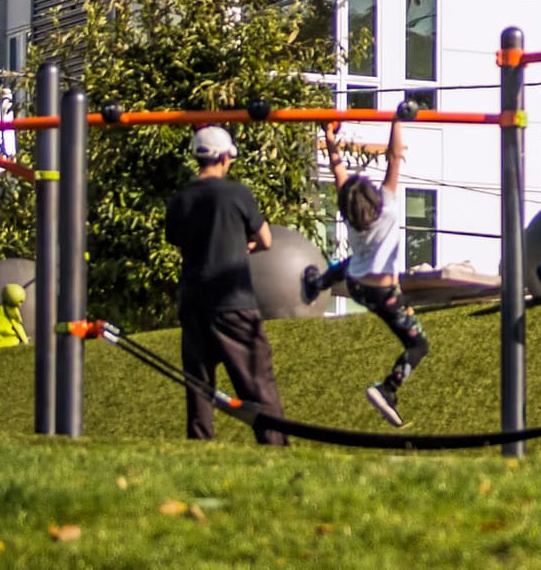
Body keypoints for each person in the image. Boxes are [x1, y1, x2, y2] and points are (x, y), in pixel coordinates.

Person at [162, 126, 288, 444]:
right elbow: (265, 239)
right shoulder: (237, 194)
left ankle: (201, 445)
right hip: (233, 301)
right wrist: (244, 247)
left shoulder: (181, 198)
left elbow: (180, 242)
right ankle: (275, 446)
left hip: (193, 302)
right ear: (223, 157)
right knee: (257, 381)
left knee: (199, 385)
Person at [303, 112, 429, 428]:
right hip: (384, 293)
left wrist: (329, 136)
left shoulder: (348, 209)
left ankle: (318, 283)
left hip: (357, 284)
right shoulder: (386, 205)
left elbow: (337, 167)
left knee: (347, 264)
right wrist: (397, 121)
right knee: (418, 344)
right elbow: (394, 158)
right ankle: (387, 389)